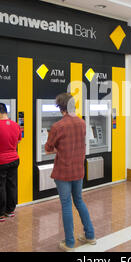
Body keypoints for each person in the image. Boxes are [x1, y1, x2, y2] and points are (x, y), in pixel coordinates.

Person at [45, 93, 96, 252]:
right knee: (79, 201)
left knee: (66, 204)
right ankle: (90, 235)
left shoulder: (57, 126)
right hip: (78, 169)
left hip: (63, 172)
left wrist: (56, 148)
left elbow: (48, 149)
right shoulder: (82, 123)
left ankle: (70, 243)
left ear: (61, 108)